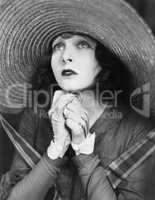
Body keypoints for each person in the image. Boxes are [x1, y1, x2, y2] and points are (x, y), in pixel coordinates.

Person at [0, 0, 155, 200]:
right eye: (58, 46)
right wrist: (56, 150)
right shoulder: (37, 114)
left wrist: (83, 150)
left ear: (104, 58)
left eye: (82, 45)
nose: (65, 56)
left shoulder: (137, 129)